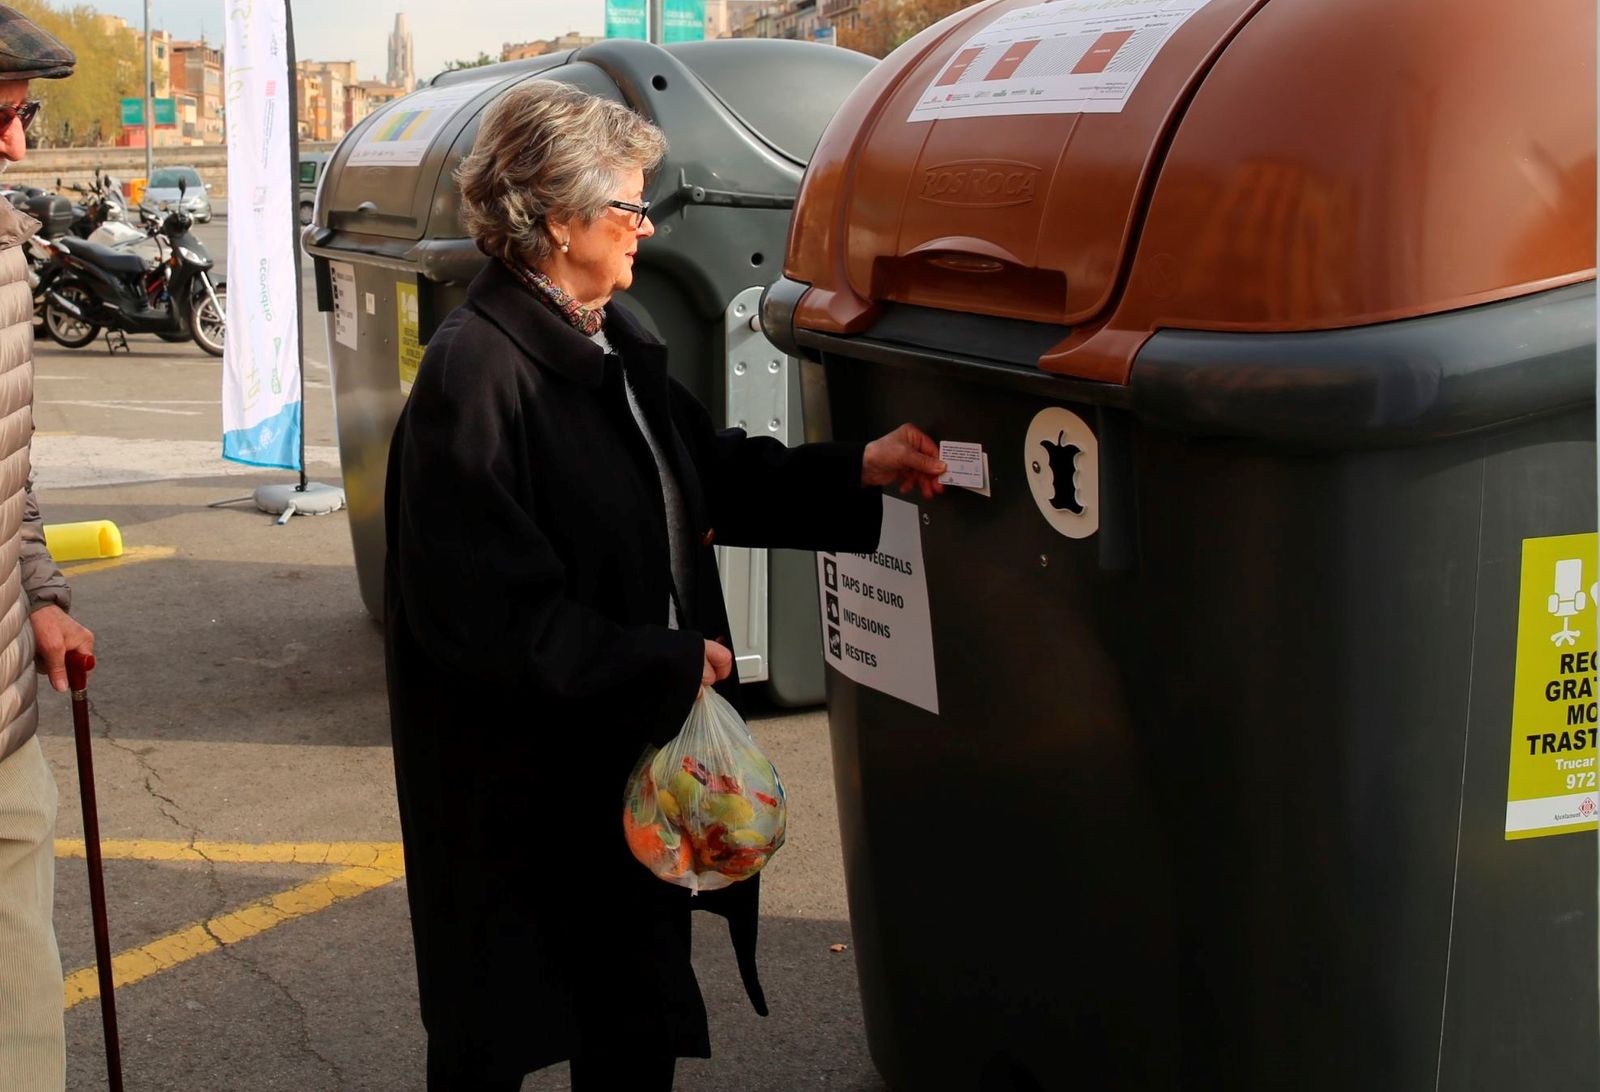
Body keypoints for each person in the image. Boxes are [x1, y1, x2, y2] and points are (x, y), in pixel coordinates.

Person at [384, 80, 944, 1090]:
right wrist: (665, 659)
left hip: (626, 755)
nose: (646, 229)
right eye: (629, 208)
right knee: (508, 1024)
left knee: (630, 1019)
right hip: (529, 786)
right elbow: (483, 618)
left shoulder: (610, 333)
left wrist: (854, 468)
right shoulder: (476, 379)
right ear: (559, 219)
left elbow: (703, 472)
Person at [0, 9, 97, 1089]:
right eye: (3, 118)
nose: (20, 145)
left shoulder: (7, 256)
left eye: (22, 117)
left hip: (6, 710)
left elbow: (10, 470)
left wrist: (41, 597)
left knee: (24, 1013)